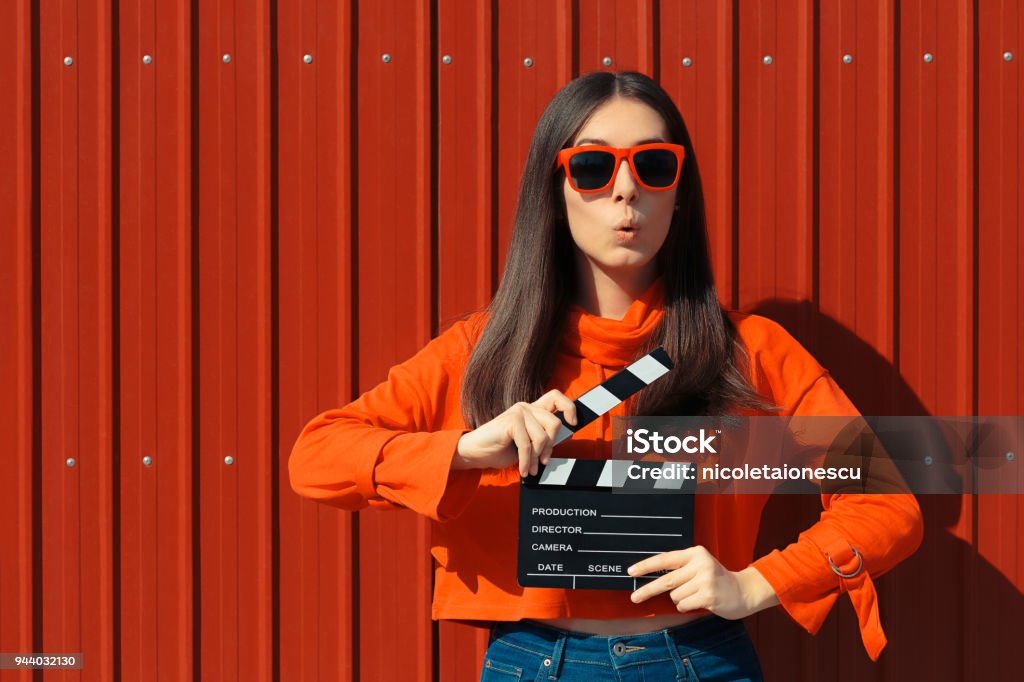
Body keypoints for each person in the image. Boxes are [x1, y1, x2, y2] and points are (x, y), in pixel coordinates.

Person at [288, 71, 923, 681]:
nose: (626, 190)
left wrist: (756, 583)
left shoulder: (753, 352)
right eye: (593, 167)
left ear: (679, 188)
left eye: (653, 165)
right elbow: (315, 456)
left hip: (696, 660)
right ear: (554, 187)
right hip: (531, 663)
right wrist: (461, 451)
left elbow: (885, 501)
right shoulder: (479, 351)